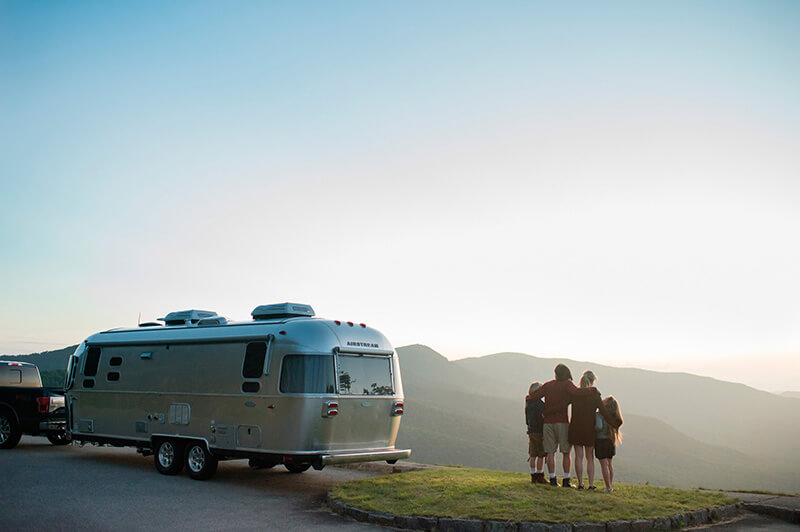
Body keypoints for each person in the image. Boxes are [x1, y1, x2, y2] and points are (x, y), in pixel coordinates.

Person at [528, 363, 599, 487]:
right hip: (562, 422)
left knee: (550, 452)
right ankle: (566, 480)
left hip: (548, 423)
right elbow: (576, 392)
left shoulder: (548, 385)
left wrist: (528, 398)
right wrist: (592, 390)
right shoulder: (567, 384)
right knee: (566, 452)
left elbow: (534, 396)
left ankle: (552, 479)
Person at [568, 370, 621, 490]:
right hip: (589, 430)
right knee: (589, 458)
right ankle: (591, 484)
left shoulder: (575, 394)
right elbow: (605, 414)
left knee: (578, 457)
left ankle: (581, 483)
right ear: (592, 381)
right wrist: (616, 424)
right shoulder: (595, 396)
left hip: (575, 428)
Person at [595, 396, 623, 493]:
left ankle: (608, 487)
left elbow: (598, 426)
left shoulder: (599, 415)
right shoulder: (614, 417)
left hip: (600, 441)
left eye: (604, 400)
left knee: (604, 465)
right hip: (610, 441)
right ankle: (610, 485)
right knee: (609, 464)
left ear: (606, 404)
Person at [525, 382, 547, 484]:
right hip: (539, 431)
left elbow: (527, 419)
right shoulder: (540, 404)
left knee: (532, 454)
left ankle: (533, 475)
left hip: (531, 430)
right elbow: (541, 419)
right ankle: (540, 475)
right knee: (541, 454)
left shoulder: (528, 403)